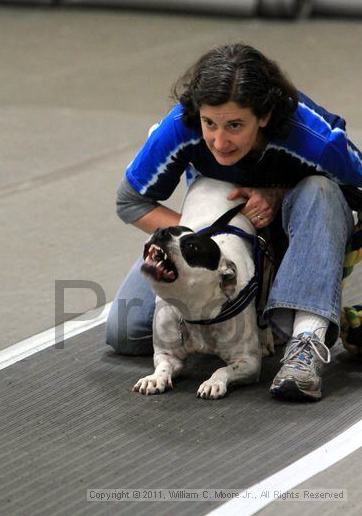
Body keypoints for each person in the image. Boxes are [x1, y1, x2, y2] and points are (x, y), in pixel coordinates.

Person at [106, 43, 362, 401]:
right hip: (220, 236)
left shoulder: (313, 137)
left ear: (265, 116)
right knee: (126, 332)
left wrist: (278, 194)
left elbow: (356, 192)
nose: (219, 141)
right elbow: (130, 201)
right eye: (210, 123)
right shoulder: (182, 125)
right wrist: (203, 240)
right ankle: (272, 308)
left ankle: (307, 339)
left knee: (321, 189)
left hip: (294, 229)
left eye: (235, 126)